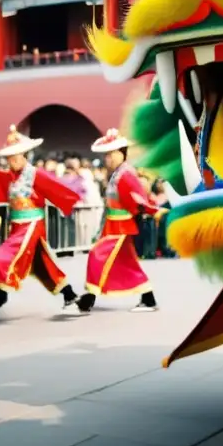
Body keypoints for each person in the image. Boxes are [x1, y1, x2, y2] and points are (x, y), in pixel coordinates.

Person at [0, 125, 80, 312]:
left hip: (32, 223)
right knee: (42, 263)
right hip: (17, 225)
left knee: (5, 255)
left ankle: (0, 295)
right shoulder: (11, 176)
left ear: (24, 155)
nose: (12, 161)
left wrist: (69, 202)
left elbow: (55, 187)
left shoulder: (35, 174)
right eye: (9, 157)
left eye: (15, 157)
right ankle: (69, 293)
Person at [77, 129, 165, 313]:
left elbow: (138, 198)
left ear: (120, 153)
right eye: (106, 155)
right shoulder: (118, 173)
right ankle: (147, 298)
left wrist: (153, 210)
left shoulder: (125, 174)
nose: (107, 158)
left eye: (110, 154)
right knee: (127, 264)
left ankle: (89, 297)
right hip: (113, 226)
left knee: (96, 255)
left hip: (120, 227)